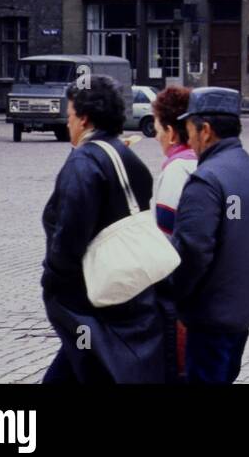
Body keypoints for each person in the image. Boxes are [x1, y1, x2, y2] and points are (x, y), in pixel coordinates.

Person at [41, 75, 164, 384]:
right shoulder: (126, 157)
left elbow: (70, 235)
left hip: (92, 299)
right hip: (126, 293)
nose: (67, 124)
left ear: (83, 119)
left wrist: (52, 277)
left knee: (88, 369)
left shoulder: (84, 162)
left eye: (69, 116)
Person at [172, 88, 249, 384]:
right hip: (239, 314)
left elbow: (192, 252)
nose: (188, 139)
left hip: (209, 318)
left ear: (205, 130)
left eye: (189, 129)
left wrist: (172, 298)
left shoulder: (206, 180)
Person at [151, 86, 195, 383]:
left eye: (156, 127)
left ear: (170, 131)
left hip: (178, 301)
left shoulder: (176, 172)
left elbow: (163, 237)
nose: (155, 136)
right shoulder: (202, 161)